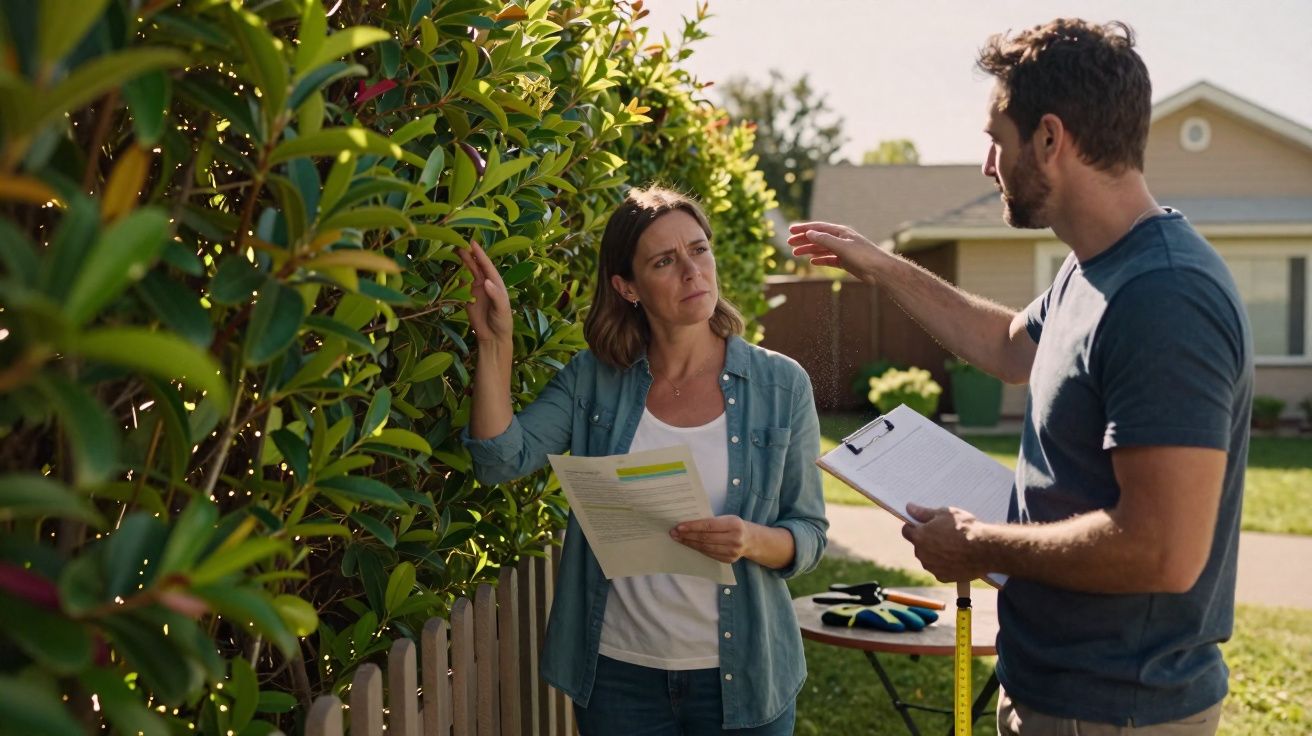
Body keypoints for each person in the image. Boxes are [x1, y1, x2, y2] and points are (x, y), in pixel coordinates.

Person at [788, 18, 1251, 736]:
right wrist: (880, 267)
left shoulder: (1164, 296)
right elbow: (1008, 346)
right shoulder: (1092, 269)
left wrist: (980, 545)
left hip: (1114, 708)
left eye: (995, 139)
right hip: (1054, 687)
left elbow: (1163, 547)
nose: (986, 165)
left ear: (1049, 140)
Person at [460, 186, 827, 734]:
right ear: (627, 287)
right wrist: (496, 345)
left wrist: (749, 540)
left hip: (746, 676)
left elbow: (810, 532)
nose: (691, 271)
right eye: (664, 261)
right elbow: (498, 460)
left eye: (699, 250)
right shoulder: (593, 380)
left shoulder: (781, 384)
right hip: (618, 679)